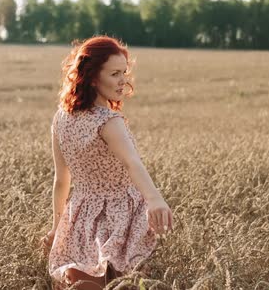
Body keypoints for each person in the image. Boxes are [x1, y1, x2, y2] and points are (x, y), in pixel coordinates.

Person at [40, 35, 174, 290]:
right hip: (121, 212)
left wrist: (58, 227)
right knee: (128, 283)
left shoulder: (61, 118)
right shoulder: (108, 120)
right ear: (91, 76)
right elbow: (133, 163)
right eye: (114, 74)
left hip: (81, 214)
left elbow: (61, 181)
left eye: (124, 72)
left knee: (88, 280)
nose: (123, 81)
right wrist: (155, 198)